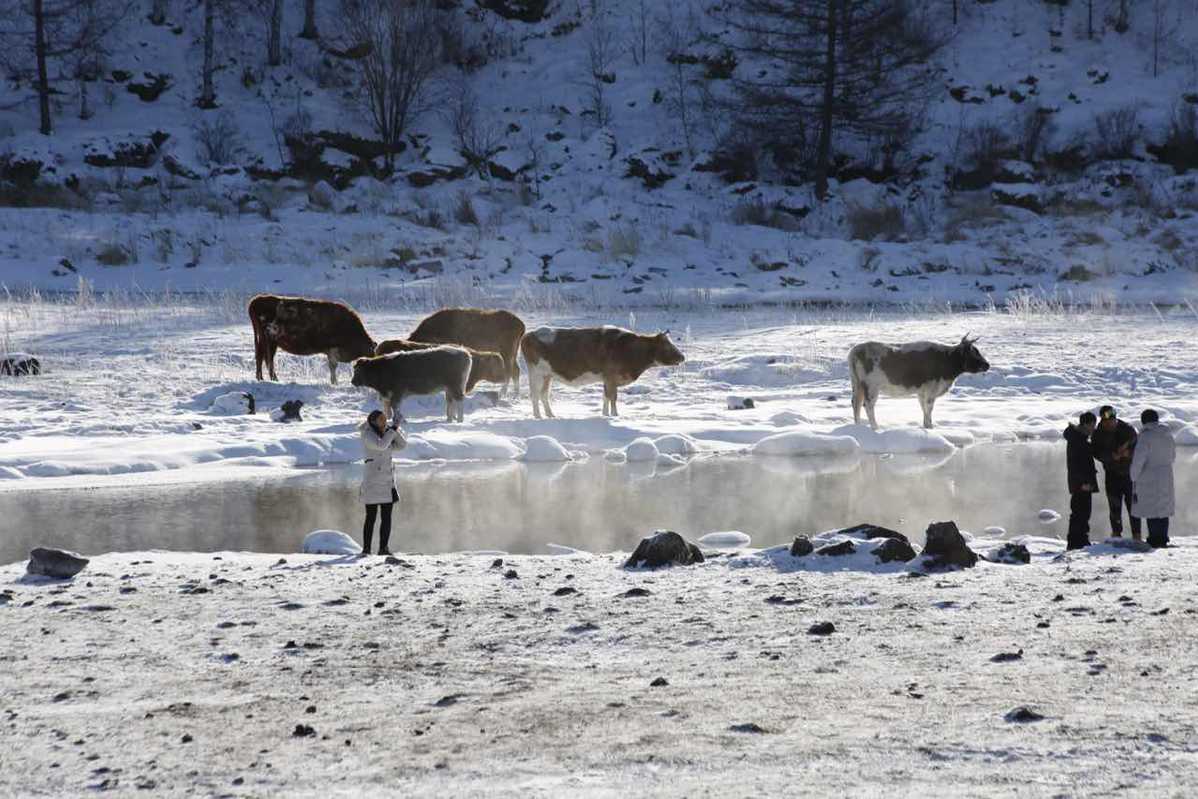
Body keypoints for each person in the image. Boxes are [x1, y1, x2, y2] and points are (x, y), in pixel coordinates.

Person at [359, 409, 406, 556]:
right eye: (381, 419)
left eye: (385, 419)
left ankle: (383, 548)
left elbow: (402, 445)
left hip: (387, 482)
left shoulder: (386, 434)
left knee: (387, 517)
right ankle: (366, 549)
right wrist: (392, 429)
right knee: (371, 517)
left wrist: (394, 429)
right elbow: (381, 446)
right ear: (372, 421)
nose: (384, 422)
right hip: (373, 482)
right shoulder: (367, 434)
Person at [1089, 405, 1141, 540]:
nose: (1108, 424)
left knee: (1134, 507)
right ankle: (1116, 534)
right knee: (1114, 507)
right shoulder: (1098, 433)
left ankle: (1137, 534)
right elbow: (1095, 452)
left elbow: (1140, 449)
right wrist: (1112, 456)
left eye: (1111, 421)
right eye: (1105, 422)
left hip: (1130, 474)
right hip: (1112, 474)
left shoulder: (1128, 429)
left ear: (1115, 419)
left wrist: (1129, 454)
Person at [1130, 409, 1175, 548]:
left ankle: (1155, 539)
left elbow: (1139, 460)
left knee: (1151, 509)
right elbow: (1172, 456)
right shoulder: (1167, 435)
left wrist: (1133, 475)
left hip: (1149, 476)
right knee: (1163, 508)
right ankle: (1163, 537)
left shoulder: (1145, 437)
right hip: (1166, 475)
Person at [1064, 411, 1098, 549]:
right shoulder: (1078, 440)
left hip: (1081, 483)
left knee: (1081, 512)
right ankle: (1077, 542)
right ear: (1086, 424)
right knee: (1081, 513)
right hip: (1081, 484)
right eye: (1092, 425)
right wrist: (1083, 483)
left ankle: (1080, 540)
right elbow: (1076, 465)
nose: (1093, 428)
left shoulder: (1079, 438)